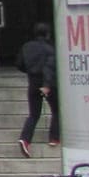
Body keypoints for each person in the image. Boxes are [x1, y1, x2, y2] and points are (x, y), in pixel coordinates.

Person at [19, 22, 59, 157]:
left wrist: (30, 72)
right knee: (57, 110)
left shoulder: (26, 47)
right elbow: (49, 68)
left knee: (34, 114)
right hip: (47, 83)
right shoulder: (49, 49)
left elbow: (19, 64)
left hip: (33, 82)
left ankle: (25, 139)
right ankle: (54, 138)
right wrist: (47, 85)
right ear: (48, 34)